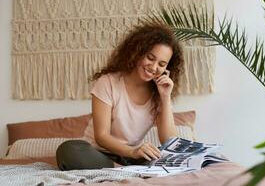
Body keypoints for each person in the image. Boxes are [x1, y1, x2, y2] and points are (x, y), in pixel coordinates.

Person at [56, 23, 184, 170]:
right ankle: (121, 170)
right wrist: (133, 152)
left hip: (132, 158)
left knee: (173, 158)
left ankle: (122, 170)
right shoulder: (108, 82)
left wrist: (165, 98)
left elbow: (170, 141)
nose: (154, 67)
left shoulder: (159, 94)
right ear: (137, 51)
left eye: (161, 64)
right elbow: (102, 136)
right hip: (99, 153)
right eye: (150, 57)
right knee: (68, 150)